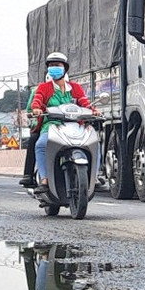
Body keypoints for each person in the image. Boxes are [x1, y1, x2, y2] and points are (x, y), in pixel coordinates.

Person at [22, 52, 95, 188]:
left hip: (74, 125)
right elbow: (36, 101)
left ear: (65, 68)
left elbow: (84, 103)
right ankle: (44, 179)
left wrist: (94, 111)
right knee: (41, 145)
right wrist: (36, 109)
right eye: (51, 65)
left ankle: (93, 178)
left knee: (94, 142)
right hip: (51, 126)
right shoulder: (43, 88)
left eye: (57, 65)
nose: (53, 68)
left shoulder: (75, 88)